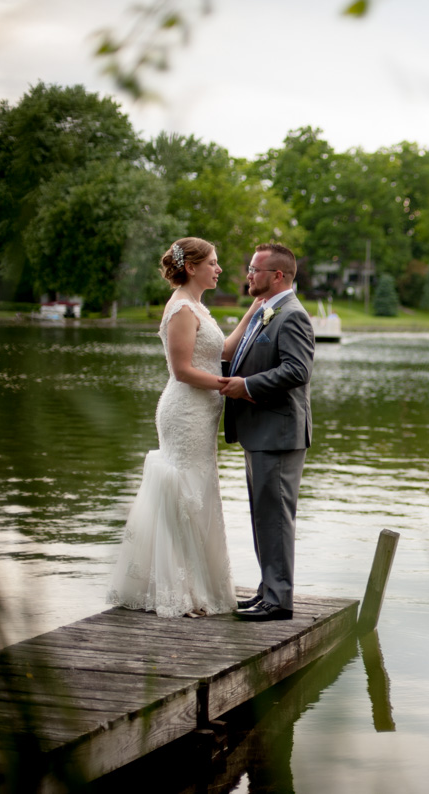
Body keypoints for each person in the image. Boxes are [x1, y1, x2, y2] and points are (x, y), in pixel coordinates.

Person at [107, 237, 264, 617]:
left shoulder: (197, 306)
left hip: (202, 413)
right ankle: (178, 590)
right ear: (191, 267)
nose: (219, 269)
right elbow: (182, 371)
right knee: (185, 492)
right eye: (212, 262)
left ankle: (195, 585)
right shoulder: (179, 308)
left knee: (199, 491)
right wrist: (232, 389)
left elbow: (221, 352)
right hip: (184, 412)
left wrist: (254, 310)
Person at [219, 243, 315, 622]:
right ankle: (267, 591)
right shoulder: (266, 310)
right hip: (260, 432)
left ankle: (279, 602)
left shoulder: (291, 315)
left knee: (275, 519)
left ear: (277, 276)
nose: (248, 274)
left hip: (278, 433)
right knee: (265, 517)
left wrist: (247, 385)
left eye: (254, 269)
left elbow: (297, 371)